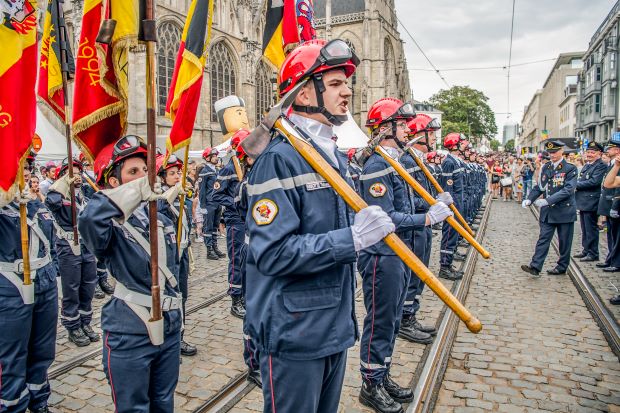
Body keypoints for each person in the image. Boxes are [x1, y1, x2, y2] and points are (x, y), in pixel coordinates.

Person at [245, 39, 395, 413]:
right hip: (294, 330)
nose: (347, 91)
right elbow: (272, 253)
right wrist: (352, 239)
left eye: (347, 82)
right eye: (334, 83)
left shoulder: (330, 154)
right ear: (303, 92)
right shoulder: (279, 159)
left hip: (332, 324)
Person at [359, 98, 453, 413]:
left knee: (393, 318)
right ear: (385, 128)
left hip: (398, 253)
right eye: (401, 125)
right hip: (381, 254)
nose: (407, 130)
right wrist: (426, 219)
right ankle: (370, 383)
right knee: (380, 321)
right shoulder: (376, 164)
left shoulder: (394, 160)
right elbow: (386, 218)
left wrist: (431, 207)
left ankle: (381, 375)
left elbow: (407, 206)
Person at [79, 135, 183, 412]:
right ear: (115, 183)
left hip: (170, 324)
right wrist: (136, 192)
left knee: (164, 401)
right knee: (133, 408)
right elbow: (89, 218)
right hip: (131, 328)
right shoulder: (110, 223)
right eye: (133, 172)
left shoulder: (160, 215)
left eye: (146, 170)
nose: (145, 177)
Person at [0, 156, 58, 413]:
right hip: (11, 287)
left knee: (42, 349)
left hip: (44, 281)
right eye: (18, 168)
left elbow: (50, 238)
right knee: (12, 356)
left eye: (26, 168)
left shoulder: (34, 203)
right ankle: (12, 405)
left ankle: (38, 399)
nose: (24, 173)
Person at [398, 114, 444, 345]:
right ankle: (405, 318)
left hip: (423, 223)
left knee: (420, 273)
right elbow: (409, 200)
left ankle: (411, 313)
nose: (435, 138)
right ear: (420, 135)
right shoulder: (407, 161)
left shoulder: (418, 160)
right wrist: (430, 206)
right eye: (432, 133)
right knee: (413, 274)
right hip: (414, 225)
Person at [46, 158, 99, 346]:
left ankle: (85, 322)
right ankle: (73, 325)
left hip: (87, 245)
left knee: (88, 285)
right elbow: (50, 202)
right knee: (72, 287)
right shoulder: (59, 195)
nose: (77, 177)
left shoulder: (84, 193)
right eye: (72, 173)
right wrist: (62, 183)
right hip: (68, 246)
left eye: (78, 172)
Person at [156, 153, 198, 357]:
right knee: (170, 296)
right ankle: (169, 337)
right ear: (162, 177)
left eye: (178, 172)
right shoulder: (159, 196)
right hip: (168, 257)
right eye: (172, 173)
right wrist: (174, 193)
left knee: (182, 295)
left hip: (181, 253)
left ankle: (180, 335)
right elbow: (159, 209)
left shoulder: (181, 195)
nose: (176, 176)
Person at [521, 140, 578, 277]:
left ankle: (562, 266)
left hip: (564, 210)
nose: (552, 155)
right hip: (548, 212)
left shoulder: (570, 168)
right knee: (543, 238)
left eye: (555, 152)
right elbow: (540, 187)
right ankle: (535, 266)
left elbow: (568, 190)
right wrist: (530, 198)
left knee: (564, 242)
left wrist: (547, 200)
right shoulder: (546, 167)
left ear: (562, 151)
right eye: (550, 152)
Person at [212, 128, 251, 319]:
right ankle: (236, 300)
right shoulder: (228, 169)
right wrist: (236, 203)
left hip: (249, 219)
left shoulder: (250, 167)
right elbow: (217, 195)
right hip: (236, 221)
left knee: (248, 259)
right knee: (237, 260)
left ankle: (246, 295)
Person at [439, 133, 468, 280]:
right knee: (449, 234)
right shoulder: (449, 162)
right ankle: (444, 266)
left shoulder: (455, 161)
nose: (465, 145)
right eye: (462, 143)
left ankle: (449, 263)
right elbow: (447, 187)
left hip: (458, 201)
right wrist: (449, 206)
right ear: (455, 145)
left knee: (454, 234)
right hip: (452, 204)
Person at [574, 142, 607, 263]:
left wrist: (575, 185)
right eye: (588, 152)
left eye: (592, 152)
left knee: (591, 228)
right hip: (584, 201)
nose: (589, 154)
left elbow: (594, 182)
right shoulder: (588, 165)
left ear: (599, 153)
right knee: (584, 227)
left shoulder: (601, 165)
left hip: (592, 201)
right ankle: (586, 250)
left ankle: (593, 253)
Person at [598, 135, 620, 275]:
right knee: (613, 236)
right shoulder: (614, 165)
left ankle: (614, 261)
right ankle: (613, 259)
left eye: (611, 148)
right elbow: (609, 184)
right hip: (612, 202)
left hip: (614, 204)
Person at [198, 147, 225, 260]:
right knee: (208, 227)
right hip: (209, 204)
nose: (216, 158)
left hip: (217, 203)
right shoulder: (204, 172)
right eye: (214, 156)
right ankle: (209, 250)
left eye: (216, 156)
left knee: (215, 227)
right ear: (207, 158)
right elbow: (202, 190)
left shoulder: (217, 170)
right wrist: (203, 206)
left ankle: (215, 247)